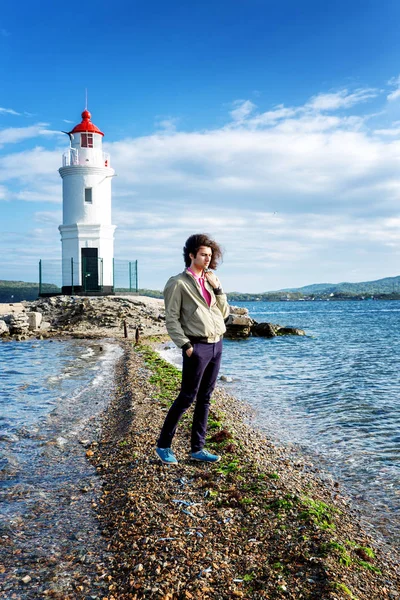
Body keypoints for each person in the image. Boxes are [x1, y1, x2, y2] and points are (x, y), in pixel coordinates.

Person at [156, 233, 230, 464]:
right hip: (196, 346)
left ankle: (197, 448)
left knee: (205, 398)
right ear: (191, 255)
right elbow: (172, 319)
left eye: (210, 255)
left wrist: (218, 289)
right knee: (187, 397)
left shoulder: (210, 280)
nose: (208, 259)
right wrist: (186, 345)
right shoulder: (177, 283)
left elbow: (225, 313)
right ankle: (163, 445)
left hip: (217, 344)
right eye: (203, 255)